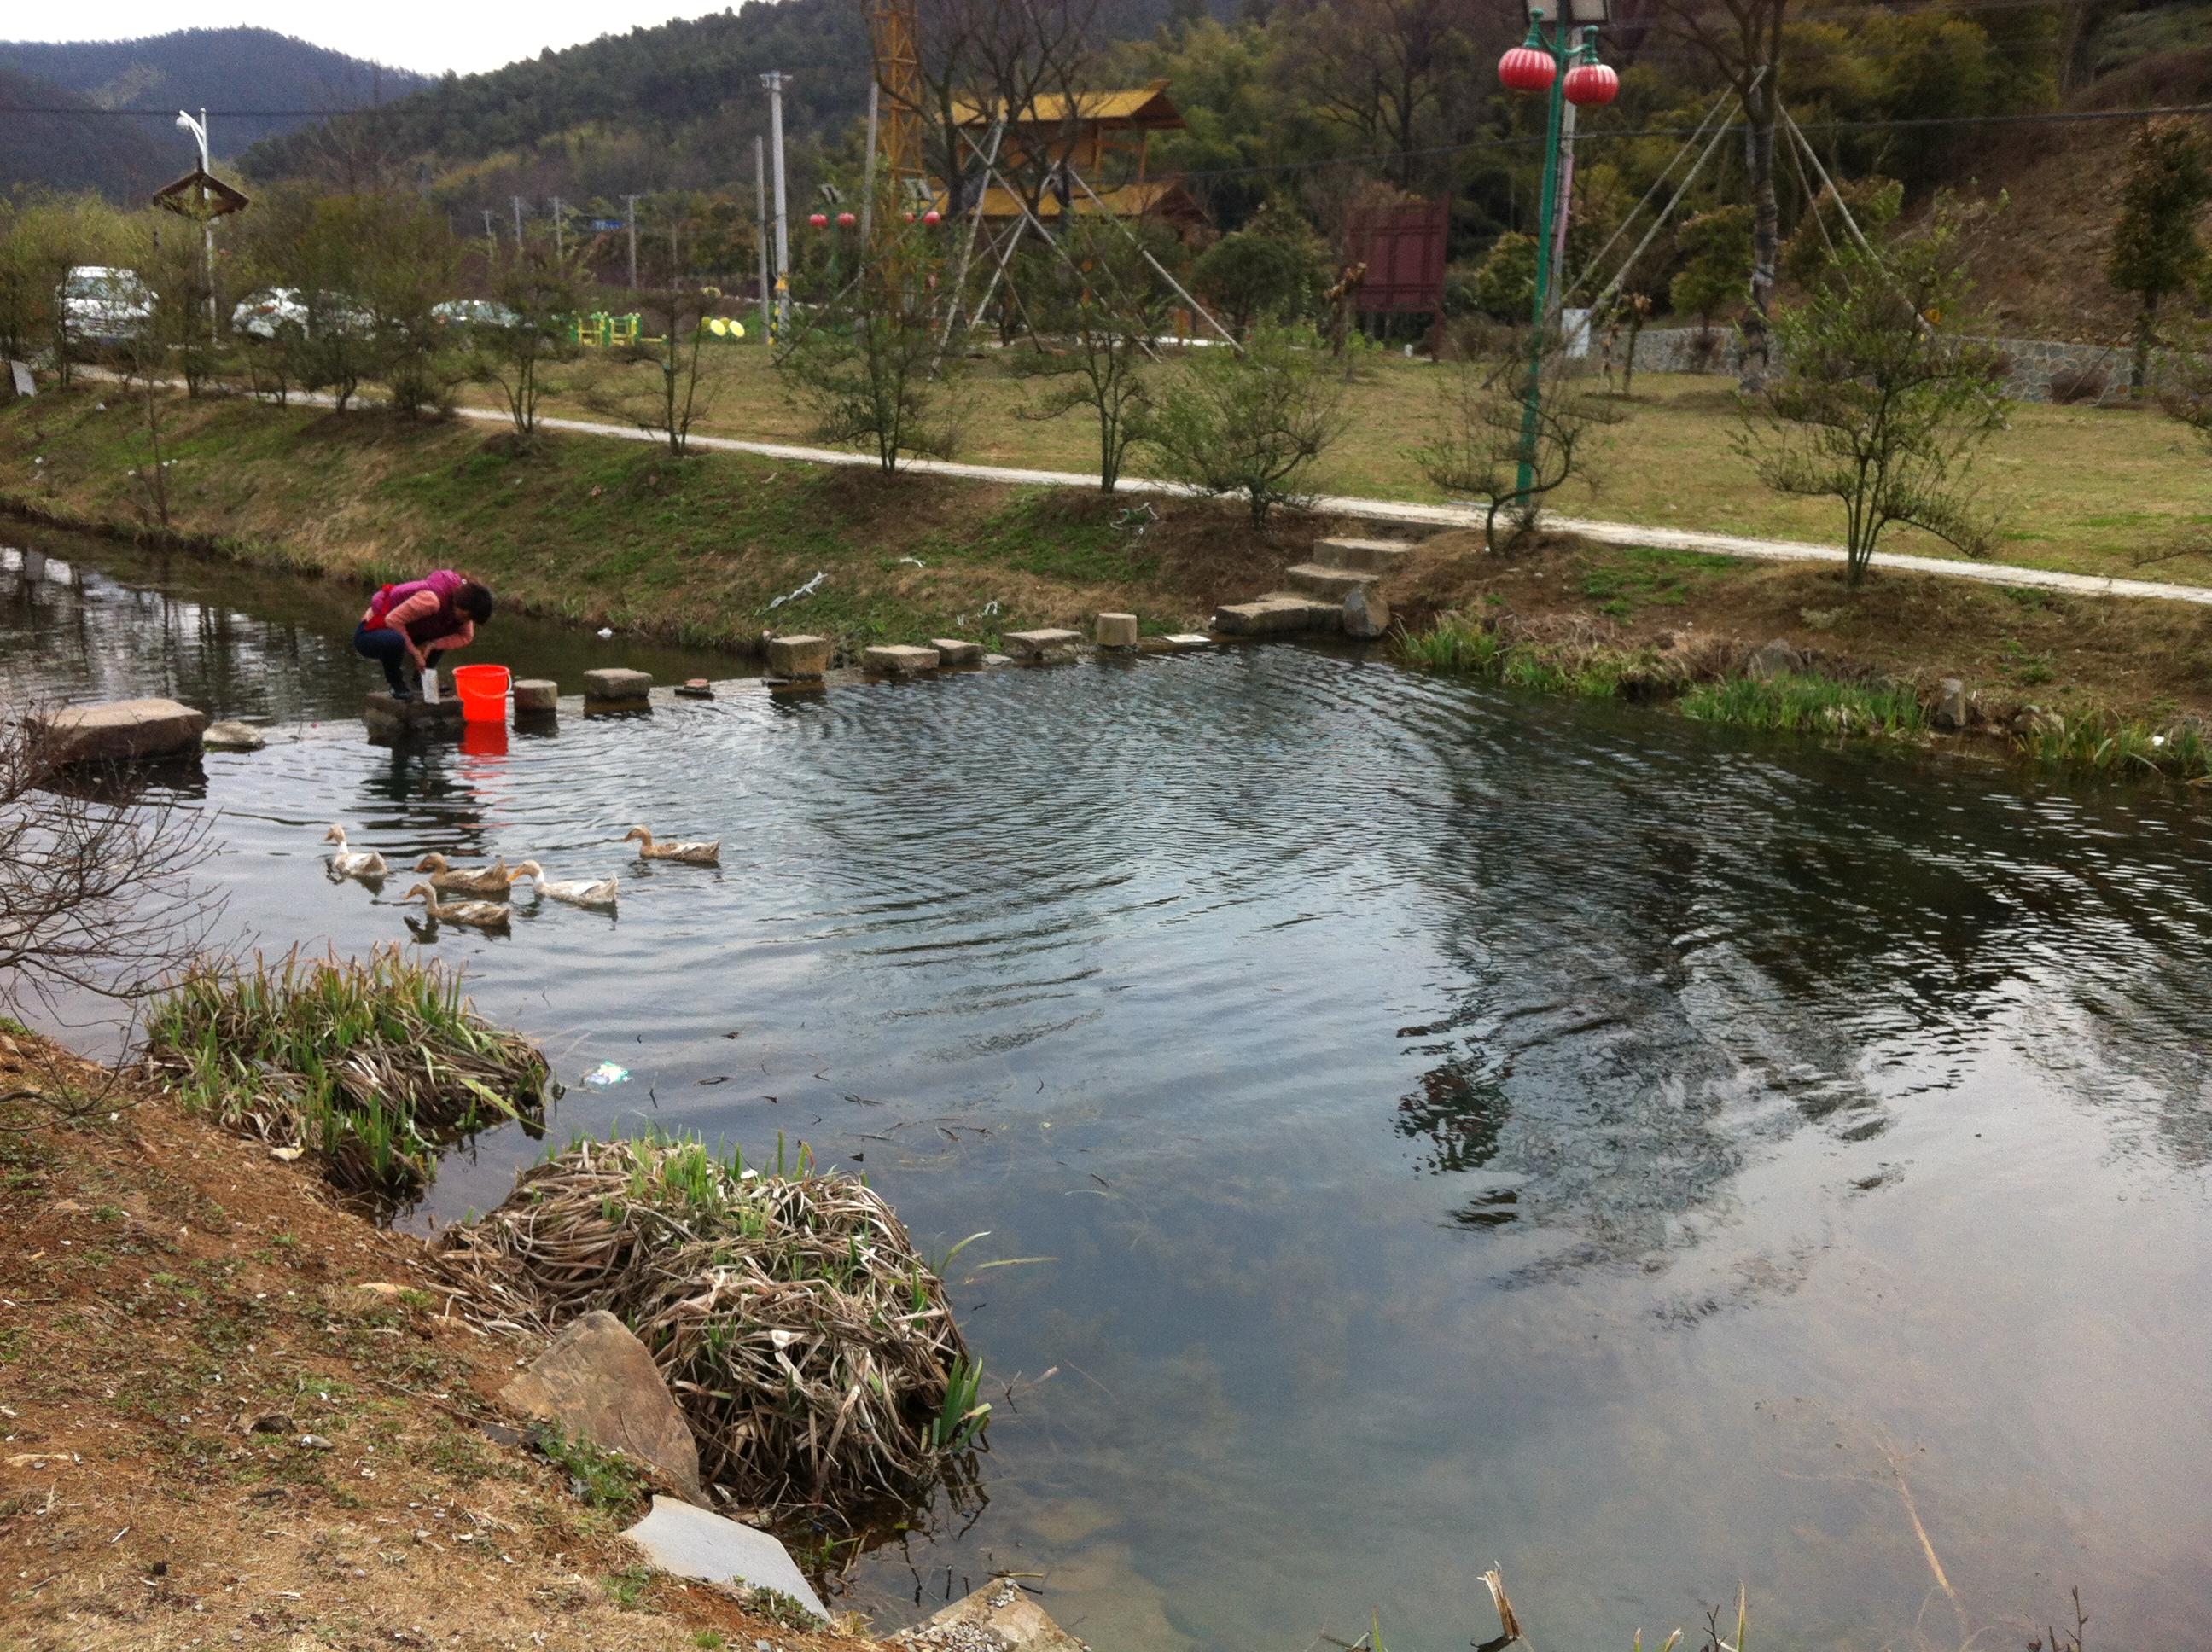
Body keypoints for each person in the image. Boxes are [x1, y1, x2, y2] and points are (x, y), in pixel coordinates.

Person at [354, 571, 493, 701]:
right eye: (467, 618)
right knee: (395, 640)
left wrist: (433, 645)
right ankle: (396, 686)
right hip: (371, 633)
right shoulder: (431, 601)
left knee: (443, 634)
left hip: (405, 631)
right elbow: (392, 620)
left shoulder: (462, 610)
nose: (467, 622)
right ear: (462, 608)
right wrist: (415, 653)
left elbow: (466, 637)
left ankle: (421, 682)